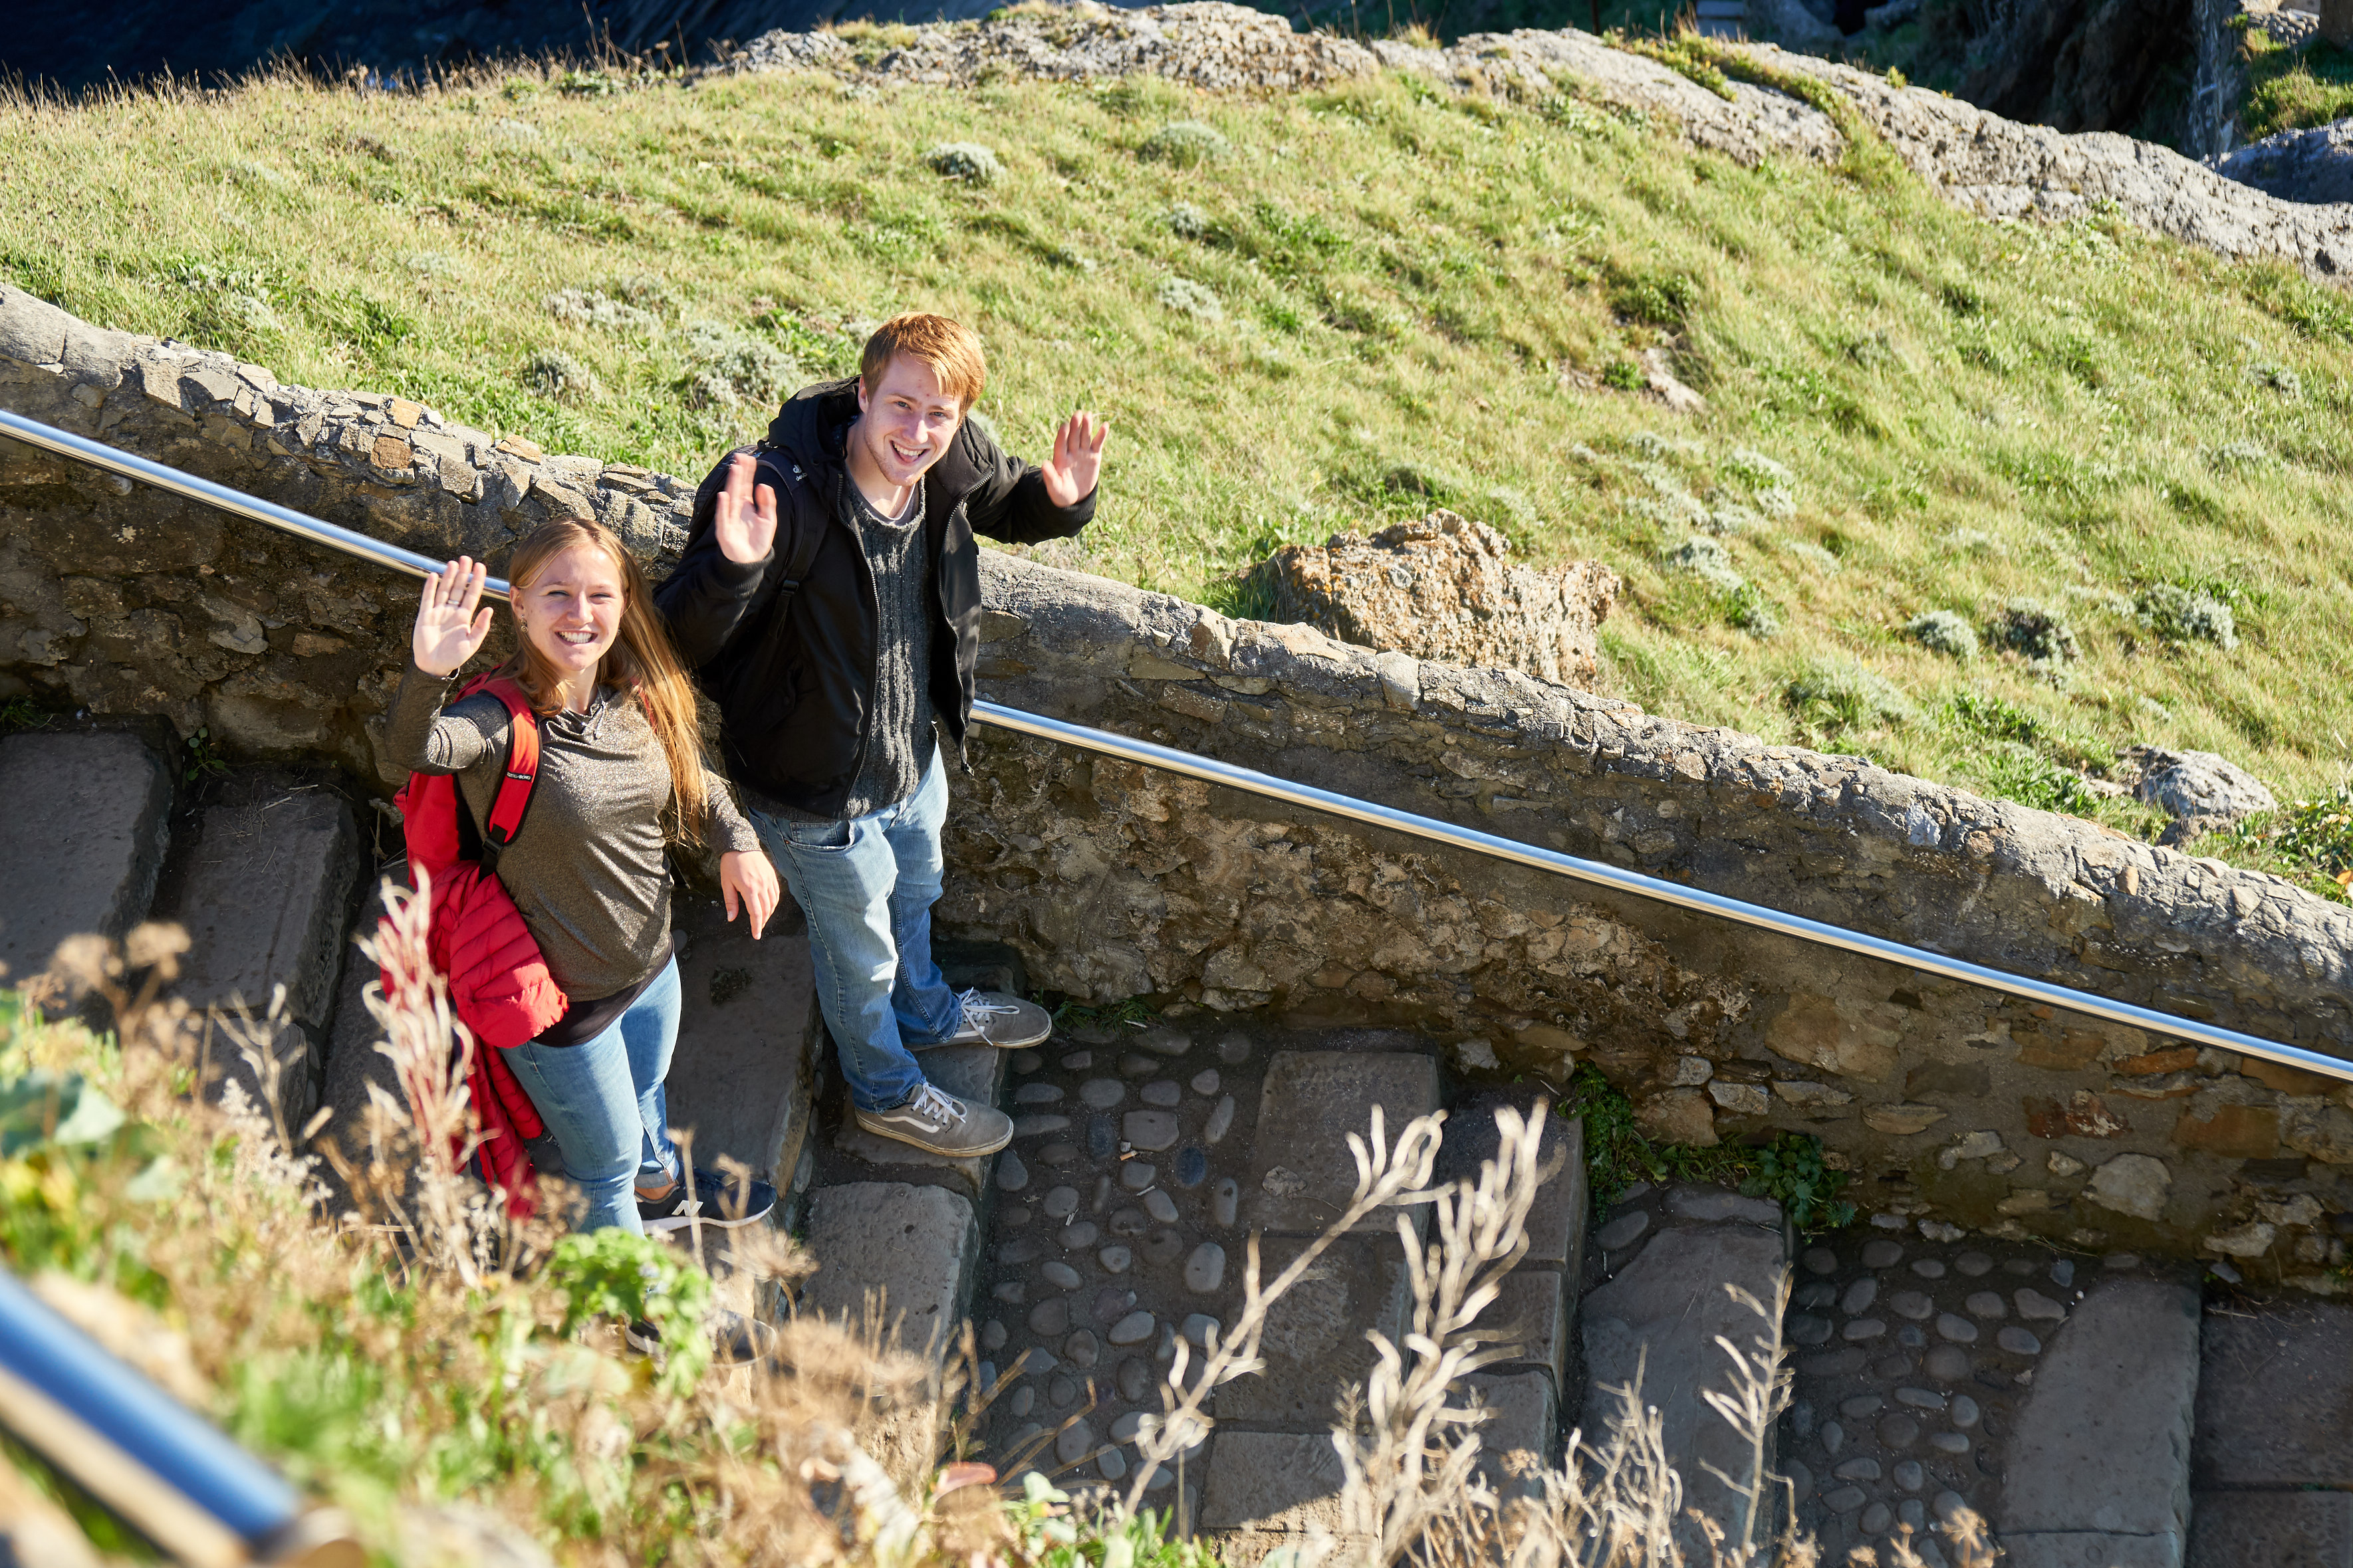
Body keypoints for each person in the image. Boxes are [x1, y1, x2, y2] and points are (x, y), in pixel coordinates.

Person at [657, 313, 1108, 1159]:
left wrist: (1062, 496)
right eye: (900, 407)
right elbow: (674, 642)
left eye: (940, 415)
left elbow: (1007, 500)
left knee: (916, 894)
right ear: (861, 393)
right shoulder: (773, 492)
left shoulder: (948, 457)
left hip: (910, 760)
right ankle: (885, 1090)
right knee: (858, 958)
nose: (918, 434)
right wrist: (731, 570)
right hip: (814, 792)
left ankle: (929, 1012)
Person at [387, 516, 785, 1240]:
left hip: (651, 967)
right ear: (519, 605)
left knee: (645, 1091)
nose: (581, 614)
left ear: (625, 600)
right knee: (603, 1170)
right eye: (558, 594)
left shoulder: (638, 692)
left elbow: (696, 785)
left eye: (600, 594)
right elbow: (408, 753)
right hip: (562, 1010)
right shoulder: (495, 723)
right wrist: (427, 672)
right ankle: (637, 1315)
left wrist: (739, 843)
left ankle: (660, 1184)